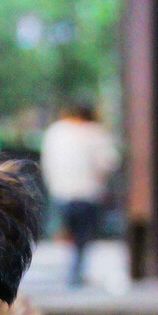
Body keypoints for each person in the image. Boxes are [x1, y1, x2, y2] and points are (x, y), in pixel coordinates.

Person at [41, 102, 120, 287]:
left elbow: (47, 163)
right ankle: (76, 270)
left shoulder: (55, 131)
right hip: (88, 192)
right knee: (83, 235)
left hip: (61, 191)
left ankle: (72, 269)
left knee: (68, 230)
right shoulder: (96, 133)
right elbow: (108, 163)